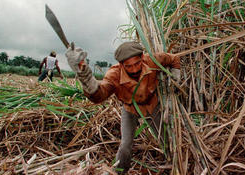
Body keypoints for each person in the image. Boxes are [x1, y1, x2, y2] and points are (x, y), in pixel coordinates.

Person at [65, 41, 180, 174]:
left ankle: (174, 165)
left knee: (165, 138)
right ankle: (119, 170)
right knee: (125, 145)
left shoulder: (153, 60)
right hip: (130, 108)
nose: (134, 69)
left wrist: (175, 74)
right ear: (121, 65)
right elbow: (99, 96)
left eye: (137, 64)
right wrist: (85, 76)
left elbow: (174, 58)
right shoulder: (114, 75)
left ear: (142, 57)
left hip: (152, 104)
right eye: (128, 66)